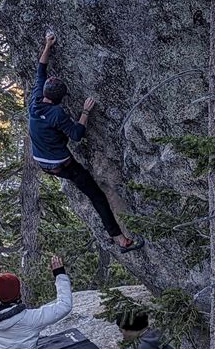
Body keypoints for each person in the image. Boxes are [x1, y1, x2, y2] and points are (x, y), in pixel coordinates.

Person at [29, 33, 144, 252]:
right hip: (63, 164)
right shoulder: (56, 113)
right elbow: (76, 134)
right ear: (59, 99)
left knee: (90, 189)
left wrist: (47, 45)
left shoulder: (35, 101)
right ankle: (121, 240)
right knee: (97, 196)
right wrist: (85, 112)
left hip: (43, 162)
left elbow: (40, 69)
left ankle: (119, 237)